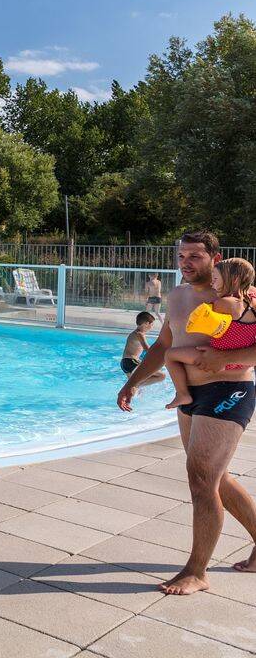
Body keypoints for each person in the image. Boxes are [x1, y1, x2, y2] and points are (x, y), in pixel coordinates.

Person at [118, 231, 256, 596]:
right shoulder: (178, 296)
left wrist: (223, 359)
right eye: (181, 256)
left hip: (229, 390)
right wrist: (133, 381)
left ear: (216, 257)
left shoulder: (240, 295)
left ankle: (197, 571)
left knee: (201, 479)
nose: (186, 263)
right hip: (190, 395)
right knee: (217, 479)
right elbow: (165, 345)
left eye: (195, 256)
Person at [163, 258, 256, 410]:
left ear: (233, 279)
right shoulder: (252, 304)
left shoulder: (223, 303)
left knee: (170, 355)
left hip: (216, 356)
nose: (212, 284)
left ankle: (182, 394)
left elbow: (201, 318)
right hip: (243, 362)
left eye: (215, 279)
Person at [120, 311, 164, 385]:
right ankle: (137, 385)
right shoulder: (140, 334)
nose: (151, 327)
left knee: (132, 386)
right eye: (151, 325)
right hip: (131, 362)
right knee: (162, 376)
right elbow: (147, 349)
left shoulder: (135, 333)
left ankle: (135, 387)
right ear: (146, 323)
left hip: (125, 363)